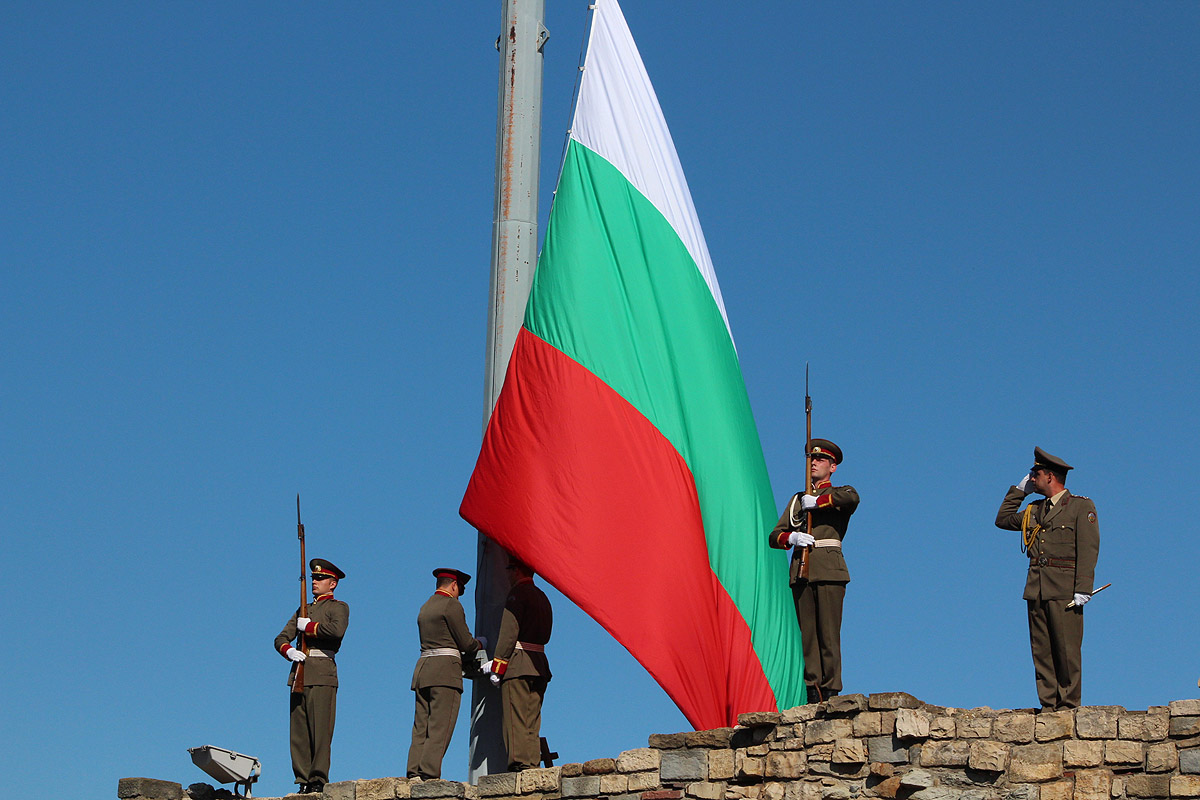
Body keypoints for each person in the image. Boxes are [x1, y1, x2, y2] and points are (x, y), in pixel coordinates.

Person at [995, 446, 1099, 711]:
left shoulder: (1079, 506)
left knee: (1066, 650)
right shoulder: (1034, 509)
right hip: (1036, 588)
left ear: (1050, 476)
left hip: (1065, 588)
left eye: (1035, 473)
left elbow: (1088, 548)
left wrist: (1083, 587)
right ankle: (1049, 704)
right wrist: (1018, 492)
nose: (1032, 478)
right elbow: (1003, 520)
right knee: (1041, 650)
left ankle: (1068, 704)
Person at [768, 439, 859, 704]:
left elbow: (852, 497)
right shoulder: (797, 500)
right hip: (802, 571)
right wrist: (792, 538)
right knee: (807, 636)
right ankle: (813, 689)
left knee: (828, 634)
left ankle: (831, 689)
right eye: (811, 459)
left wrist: (818, 502)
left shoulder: (836, 494)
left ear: (833, 467)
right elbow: (775, 536)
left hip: (829, 570)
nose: (814, 463)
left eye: (820, 460)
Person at [274, 558, 349, 794]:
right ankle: (302, 778)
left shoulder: (338, 607)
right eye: (314, 578)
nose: (315, 582)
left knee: (320, 730)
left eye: (320, 579)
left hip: (322, 672)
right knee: (299, 731)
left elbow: (336, 631)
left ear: (333, 583)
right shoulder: (303, 609)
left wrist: (309, 627)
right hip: (300, 672)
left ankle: (317, 778)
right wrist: (289, 651)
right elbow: (280, 638)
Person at [406, 568, 485, 780]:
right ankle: (429, 773)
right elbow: (466, 643)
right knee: (440, 726)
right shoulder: (451, 605)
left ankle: (414, 770)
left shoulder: (426, 607)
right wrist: (480, 643)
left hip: (424, 669)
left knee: (421, 725)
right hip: (445, 671)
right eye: (460, 589)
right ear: (453, 585)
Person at [484, 557, 552, 772]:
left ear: (516, 571)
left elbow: (509, 633)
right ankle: (532, 762)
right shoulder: (542, 597)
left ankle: (519, 763)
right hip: (539, 663)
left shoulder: (517, 595)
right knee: (532, 719)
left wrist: (498, 665)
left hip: (519, 663)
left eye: (509, 569)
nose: (507, 574)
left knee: (516, 718)